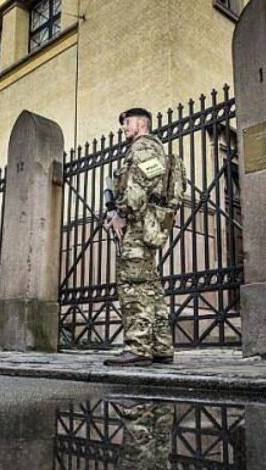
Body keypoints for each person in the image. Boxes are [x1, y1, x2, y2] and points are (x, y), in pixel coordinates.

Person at [104, 107, 175, 367]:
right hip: (149, 223)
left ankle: (138, 348)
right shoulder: (154, 148)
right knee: (151, 286)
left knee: (133, 284)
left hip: (137, 224)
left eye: (128, 122)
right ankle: (161, 346)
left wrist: (121, 214)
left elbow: (139, 186)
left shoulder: (143, 146)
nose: (124, 127)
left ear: (142, 123)